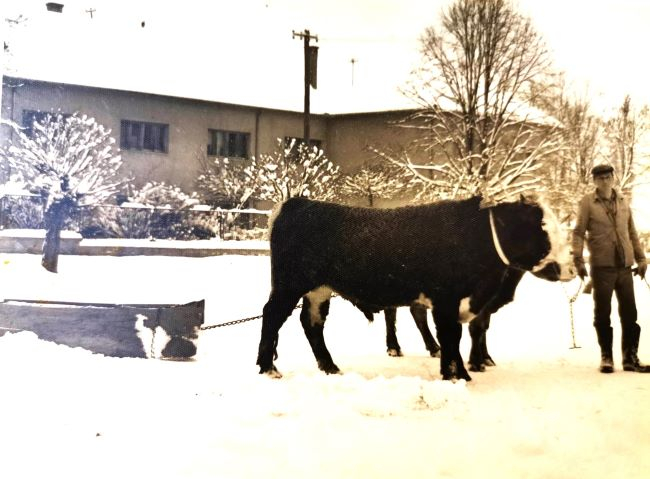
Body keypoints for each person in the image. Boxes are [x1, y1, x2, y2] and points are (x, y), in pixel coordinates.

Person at [572, 163, 649, 373]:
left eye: (608, 177)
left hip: (624, 267)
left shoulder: (623, 201)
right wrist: (578, 259)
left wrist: (642, 259)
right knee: (603, 314)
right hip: (601, 267)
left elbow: (632, 232)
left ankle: (630, 357)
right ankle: (606, 357)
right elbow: (578, 232)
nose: (605, 181)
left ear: (613, 178)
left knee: (629, 314)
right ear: (594, 181)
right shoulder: (587, 203)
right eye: (600, 178)